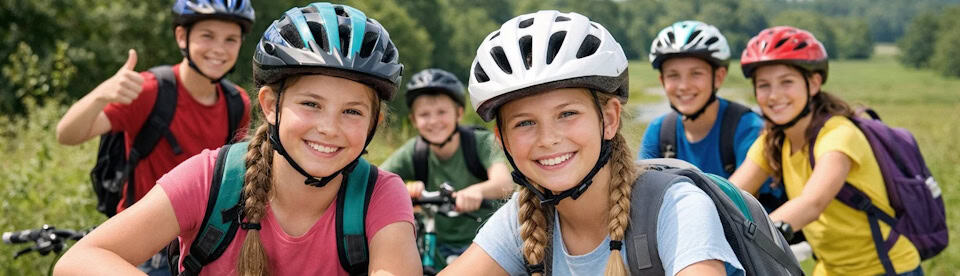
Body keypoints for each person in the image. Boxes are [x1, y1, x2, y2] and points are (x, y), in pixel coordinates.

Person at [53, 3, 421, 275]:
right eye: (311, 104)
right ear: (271, 106)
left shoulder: (380, 195)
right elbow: (77, 260)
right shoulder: (209, 175)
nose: (329, 127)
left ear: (375, 121)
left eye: (352, 111)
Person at [441, 11, 743, 276]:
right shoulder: (523, 218)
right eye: (525, 123)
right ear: (502, 139)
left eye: (567, 113)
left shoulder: (676, 207)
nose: (548, 139)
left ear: (609, 119)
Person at [54, 1, 254, 274]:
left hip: (204, 246)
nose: (219, 48)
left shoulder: (237, 103)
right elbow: (67, 134)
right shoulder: (150, 91)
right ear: (182, 37)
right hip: (147, 247)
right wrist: (101, 94)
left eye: (231, 39)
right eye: (207, 35)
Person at [729, 26, 922, 275]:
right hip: (829, 269)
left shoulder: (839, 135)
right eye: (763, 85)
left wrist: (754, 235)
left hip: (886, 269)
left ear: (814, 83)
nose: (774, 95)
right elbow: (732, 194)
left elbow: (812, 202)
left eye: (786, 82)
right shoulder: (773, 141)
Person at [638, 20, 783, 210]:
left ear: (719, 77)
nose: (683, 85)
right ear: (662, 80)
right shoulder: (659, 131)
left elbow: (739, 205)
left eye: (696, 74)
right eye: (673, 75)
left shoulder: (748, 128)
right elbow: (641, 197)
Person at [380, 68, 514, 268]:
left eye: (442, 112)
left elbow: (504, 184)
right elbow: (377, 182)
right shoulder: (415, 152)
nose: (434, 121)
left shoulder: (480, 142)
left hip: (484, 245)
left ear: (459, 113)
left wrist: (476, 191)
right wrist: (402, 188)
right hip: (434, 246)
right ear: (414, 121)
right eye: (424, 114)